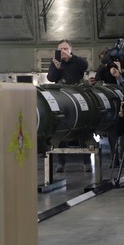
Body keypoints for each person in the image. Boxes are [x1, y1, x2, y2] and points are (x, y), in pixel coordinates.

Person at [47, 39, 91, 172]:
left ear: (70, 49)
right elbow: (51, 78)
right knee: (62, 130)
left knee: (82, 130)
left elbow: (84, 66)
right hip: (62, 99)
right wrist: (56, 67)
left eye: (65, 49)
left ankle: (87, 162)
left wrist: (70, 58)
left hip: (77, 97)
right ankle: (60, 163)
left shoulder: (77, 60)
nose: (63, 51)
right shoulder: (56, 62)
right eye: (60, 49)